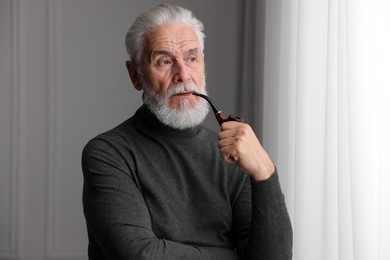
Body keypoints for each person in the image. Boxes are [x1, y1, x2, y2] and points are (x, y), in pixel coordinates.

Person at [82, 4, 293, 260]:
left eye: (191, 59)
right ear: (135, 75)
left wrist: (265, 173)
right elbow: (140, 254)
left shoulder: (232, 154)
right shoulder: (108, 153)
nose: (183, 75)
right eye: (165, 61)